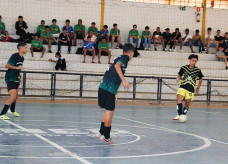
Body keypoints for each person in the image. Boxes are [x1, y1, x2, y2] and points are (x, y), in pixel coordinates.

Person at [96, 43, 135, 144]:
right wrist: (124, 81)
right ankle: (106, 136)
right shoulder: (125, 58)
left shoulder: (118, 57)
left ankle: (101, 132)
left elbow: (112, 73)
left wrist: (114, 92)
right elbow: (117, 67)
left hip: (104, 87)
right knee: (110, 111)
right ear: (131, 53)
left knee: (108, 111)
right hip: (108, 89)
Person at [0, 42, 27, 120]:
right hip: (10, 77)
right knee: (12, 97)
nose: (26, 49)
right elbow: (7, 65)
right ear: (20, 48)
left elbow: (18, 67)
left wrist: (19, 75)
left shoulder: (22, 58)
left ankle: (12, 110)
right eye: (25, 47)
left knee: (16, 96)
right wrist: (16, 68)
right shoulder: (15, 56)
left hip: (16, 77)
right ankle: (2, 114)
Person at [173, 54, 203, 121]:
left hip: (191, 88)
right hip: (183, 86)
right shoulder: (184, 68)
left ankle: (183, 114)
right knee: (178, 99)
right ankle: (179, 114)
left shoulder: (197, 70)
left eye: (195, 61)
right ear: (189, 60)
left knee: (187, 103)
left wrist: (198, 87)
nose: (194, 62)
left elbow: (201, 79)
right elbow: (179, 75)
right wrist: (178, 78)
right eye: (193, 60)